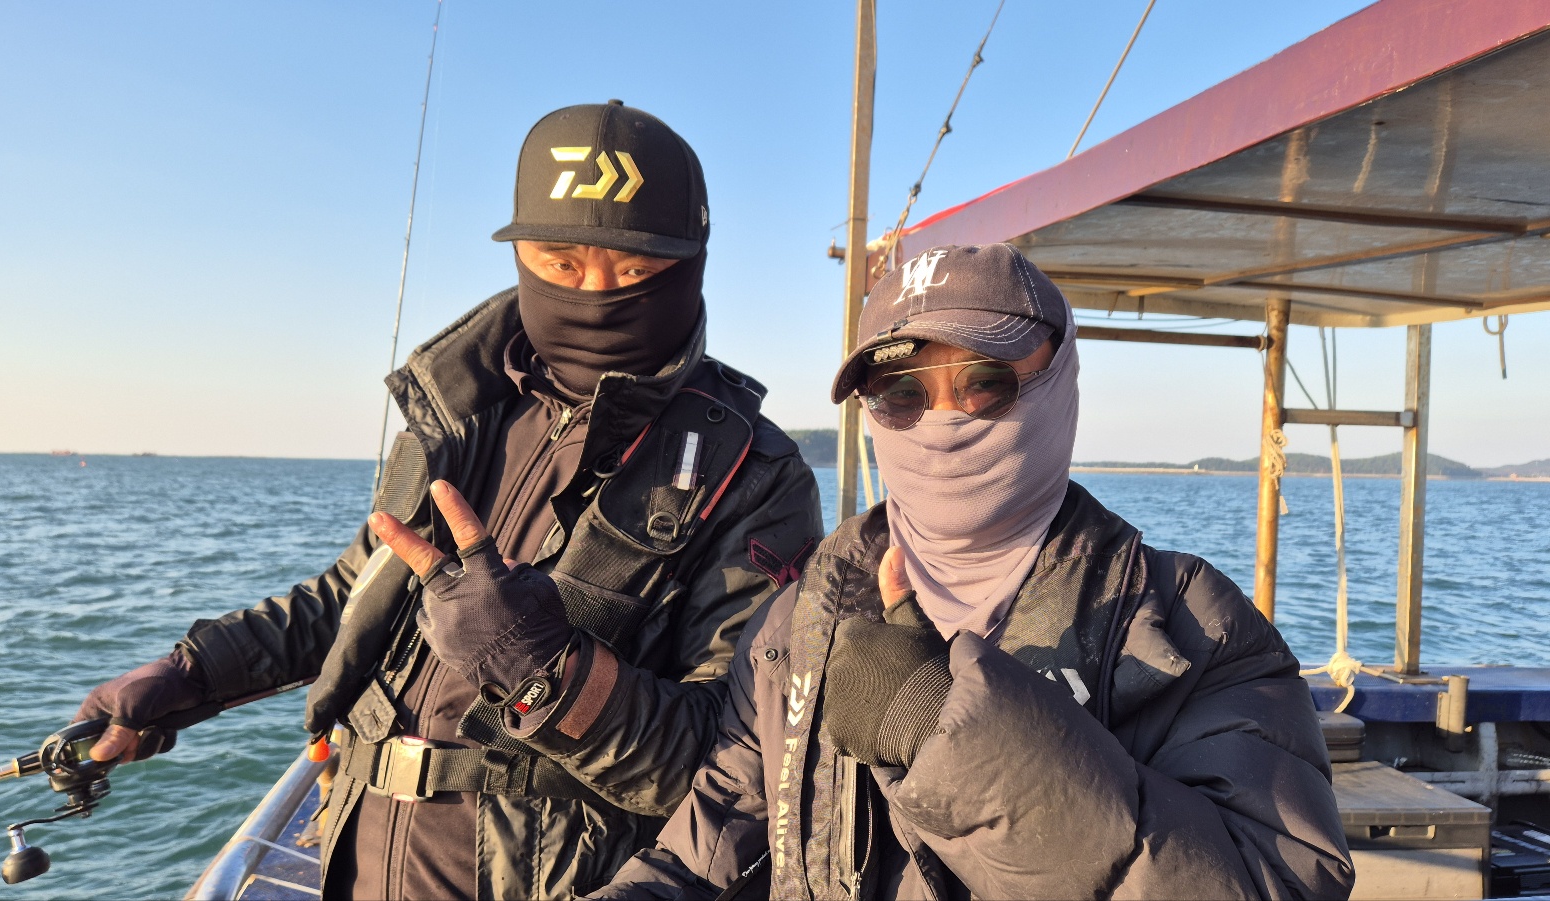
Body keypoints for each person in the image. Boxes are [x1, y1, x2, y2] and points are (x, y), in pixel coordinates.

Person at [71, 101, 824, 899]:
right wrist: (188, 673)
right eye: (561, 261)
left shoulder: (758, 476)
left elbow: (740, 768)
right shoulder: (462, 415)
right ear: (520, 254)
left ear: (693, 262)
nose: (595, 292)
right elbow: (355, 595)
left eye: (635, 269)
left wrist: (545, 670)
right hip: (354, 860)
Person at [594, 243, 1354, 900]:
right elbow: (712, 840)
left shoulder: (1189, 627)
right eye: (901, 394)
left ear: (1060, 379)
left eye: (984, 382)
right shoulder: (797, 622)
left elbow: (1278, 877)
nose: (943, 420)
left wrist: (944, 729)